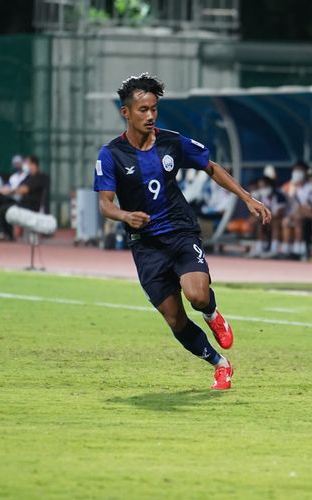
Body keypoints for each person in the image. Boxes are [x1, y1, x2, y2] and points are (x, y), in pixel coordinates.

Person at [93, 73, 271, 391]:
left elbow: (211, 167)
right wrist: (124, 215)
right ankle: (220, 365)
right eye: (143, 110)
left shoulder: (172, 142)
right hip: (145, 245)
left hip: (180, 232)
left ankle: (212, 313)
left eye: (154, 109)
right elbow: (105, 204)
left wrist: (247, 198)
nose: (150, 116)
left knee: (197, 295)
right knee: (175, 319)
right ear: (126, 113)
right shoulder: (111, 155)